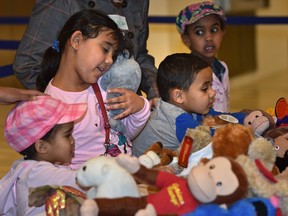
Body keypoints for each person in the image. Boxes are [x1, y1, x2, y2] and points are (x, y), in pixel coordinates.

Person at [36, 9, 150, 169]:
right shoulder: (52, 105)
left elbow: (120, 136)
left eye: (113, 54)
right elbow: (58, 167)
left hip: (125, 177)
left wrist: (140, 107)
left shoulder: (103, 86)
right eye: (105, 49)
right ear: (76, 40)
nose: (110, 60)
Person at [12, 0, 159, 107]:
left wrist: (156, 92)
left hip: (125, 111)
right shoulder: (64, 3)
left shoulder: (139, 3)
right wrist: (67, 102)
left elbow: (139, 54)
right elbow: (27, 65)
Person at [132, 53, 245, 157]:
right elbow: (213, 139)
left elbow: (221, 118)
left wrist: (246, 117)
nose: (213, 92)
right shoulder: (179, 120)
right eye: (205, 88)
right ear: (179, 96)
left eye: (211, 85)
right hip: (145, 170)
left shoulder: (188, 107)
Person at [0, 95, 87, 215]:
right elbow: (84, 180)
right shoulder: (37, 172)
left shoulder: (24, 168)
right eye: (67, 135)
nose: (73, 140)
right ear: (42, 147)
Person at [176, 1, 229, 112]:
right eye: (199, 32)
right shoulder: (187, 74)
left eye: (214, 30)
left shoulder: (222, 68)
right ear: (186, 39)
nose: (209, 37)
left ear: (222, 33)